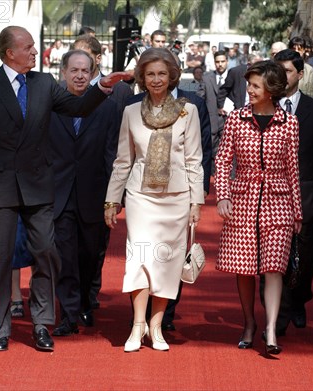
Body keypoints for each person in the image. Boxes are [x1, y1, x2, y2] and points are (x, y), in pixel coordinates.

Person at [0, 26, 129, 352]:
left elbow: (77, 107)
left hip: (38, 186)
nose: (35, 53)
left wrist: (103, 86)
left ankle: (41, 324)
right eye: (29, 48)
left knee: (46, 254)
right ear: (11, 52)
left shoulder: (44, 83)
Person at [104, 48, 204, 352]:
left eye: (162, 73)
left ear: (172, 76)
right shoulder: (131, 112)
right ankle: (137, 325)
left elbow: (194, 160)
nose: (157, 79)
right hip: (140, 197)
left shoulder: (189, 112)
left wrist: (196, 202)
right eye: (150, 74)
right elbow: (123, 160)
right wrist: (112, 200)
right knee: (139, 258)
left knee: (165, 263)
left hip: (176, 198)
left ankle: (156, 327)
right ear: (142, 78)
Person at [216, 60, 303, 356]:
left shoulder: (289, 122)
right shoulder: (236, 119)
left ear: (271, 90)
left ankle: (270, 328)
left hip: (278, 202)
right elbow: (223, 159)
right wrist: (223, 195)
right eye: (249, 84)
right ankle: (249, 322)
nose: (250, 90)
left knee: (274, 267)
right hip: (242, 199)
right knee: (244, 269)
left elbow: (293, 169)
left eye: (255, 86)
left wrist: (298, 211)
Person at [50, 50, 121, 336]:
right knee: (65, 255)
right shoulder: (51, 105)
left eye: (85, 71)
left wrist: (113, 198)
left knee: (90, 254)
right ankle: (68, 314)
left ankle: (84, 302)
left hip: (94, 193)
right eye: (74, 70)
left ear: (92, 73)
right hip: (60, 193)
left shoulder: (108, 107)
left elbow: (112, 154)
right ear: (63, 72)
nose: (79, 76)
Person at [266, 49, 313, 336]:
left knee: (307, 257)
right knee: (271, 258)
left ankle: (299, 299)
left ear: (300, 75)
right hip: (269, 196)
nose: (281, 76)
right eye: (277, 70)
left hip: (307, 195)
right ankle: (276, 318)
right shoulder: (264, 107)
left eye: (288, 71)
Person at [72, 34, 134, 311]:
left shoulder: (120, 91)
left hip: (102, 180)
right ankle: (72, 298)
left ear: (97, 59)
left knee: (96, 245)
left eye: (85, 59)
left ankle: (90, 293)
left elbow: (120, 142)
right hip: (70, 182)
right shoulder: (65, 92)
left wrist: (117, 190)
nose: (80, 66)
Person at [198, 51, 228, 162]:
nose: (220, 64)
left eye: (223, 61)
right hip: (211, 121)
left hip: (228, 121)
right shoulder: (207, 78)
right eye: (217, 62)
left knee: (228, 155)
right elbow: (200, 97)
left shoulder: (233, 77)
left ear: (227, 62)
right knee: (210, 154)